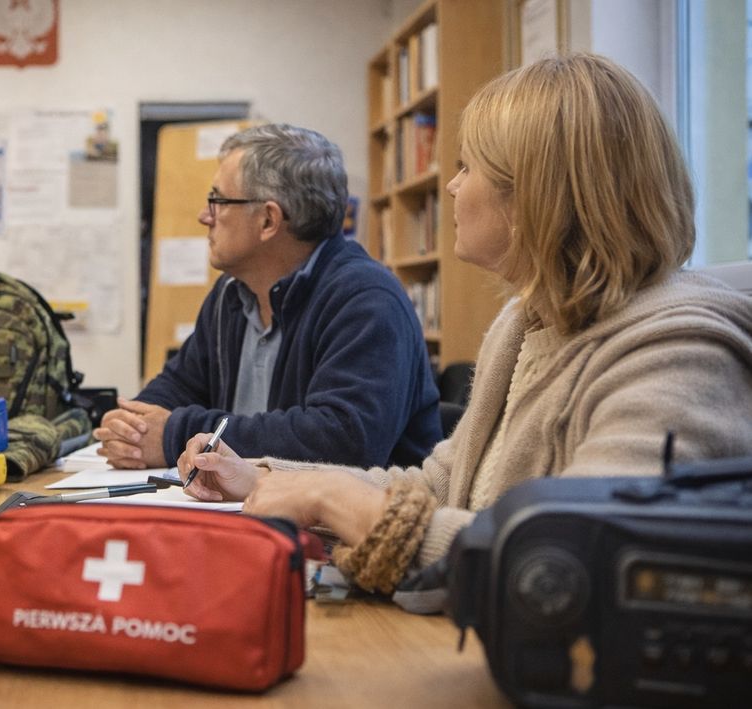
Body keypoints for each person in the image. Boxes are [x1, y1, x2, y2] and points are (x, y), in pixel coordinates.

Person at [177, 54, 752, 604]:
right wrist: (263, 477)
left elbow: (571, 569)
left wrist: (331, 499)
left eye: (467, 167)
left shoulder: (679, 358)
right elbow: (443, 486)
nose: (451, 187)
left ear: (535, 195)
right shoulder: (525, 323)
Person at [95, 124, 441, 470]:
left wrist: (174, 434)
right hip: (249, 500)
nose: (204, 217)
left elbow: (342, 441)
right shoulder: (230, 294)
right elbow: (177, 386)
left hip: (358, 507)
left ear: (268, 220)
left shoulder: (367, 299)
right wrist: (133, 428)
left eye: (217, 201)